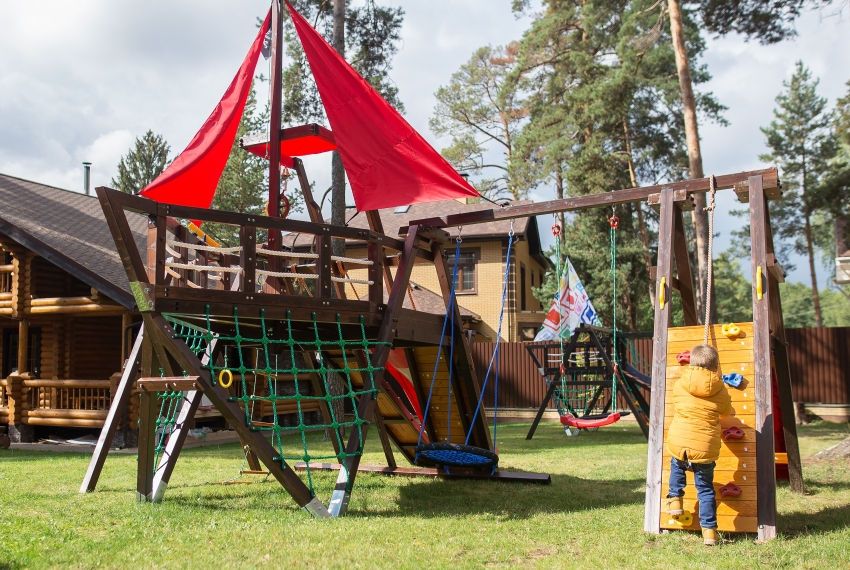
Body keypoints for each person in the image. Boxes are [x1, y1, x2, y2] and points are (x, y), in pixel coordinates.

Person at [664, 344, 732, 546]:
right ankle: (709, 532)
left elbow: (679, 403)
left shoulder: (680, 384)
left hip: (680, 441)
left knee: (677, 464)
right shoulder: (720, 388)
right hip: (705, 447)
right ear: (715, 366)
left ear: (691, 363)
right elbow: (726, 412)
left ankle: (675, 499)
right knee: (705, 489)